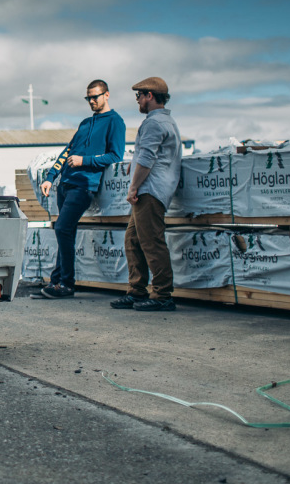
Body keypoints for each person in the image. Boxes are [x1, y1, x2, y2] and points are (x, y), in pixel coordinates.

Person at [35, 79, 126, 299]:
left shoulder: (115, 122)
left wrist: (84, 160)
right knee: (64, 231)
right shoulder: (85, 123)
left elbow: (115, 156)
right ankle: (56, 282)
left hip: (84, 185)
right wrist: (50, 177)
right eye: (88, 98)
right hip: (64, 184)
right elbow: (67, 151)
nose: (92, 101)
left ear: (107, 95)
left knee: (63, 229)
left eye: (95, 96)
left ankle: (66, 284)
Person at [111, 77, 183, 312]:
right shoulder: (166, 121)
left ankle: (162, 294)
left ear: (149, 96)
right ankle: (137, 291)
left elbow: (147, 159)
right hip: (150, 190)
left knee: (151, 242)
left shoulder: (154, 123)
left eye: (139, 96)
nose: (137, 101)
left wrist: (133, 188)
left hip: (149, 191)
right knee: (133, 240)